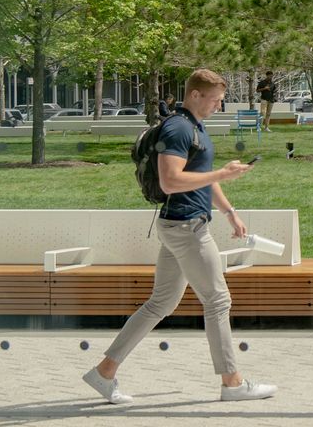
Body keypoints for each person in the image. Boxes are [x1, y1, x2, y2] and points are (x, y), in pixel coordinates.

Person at [84, 69, 274, 406]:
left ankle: (104, 372)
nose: (219, 105)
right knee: (218, 301)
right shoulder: (178, 128)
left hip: (180, 226)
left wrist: (230, 211)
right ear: (196, 95)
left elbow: (201, 176)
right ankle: (233, 383)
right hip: (187, 229)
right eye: (215, 100)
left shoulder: (195, 128)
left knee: (161, 303)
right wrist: (223, 174)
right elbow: (171, 181)